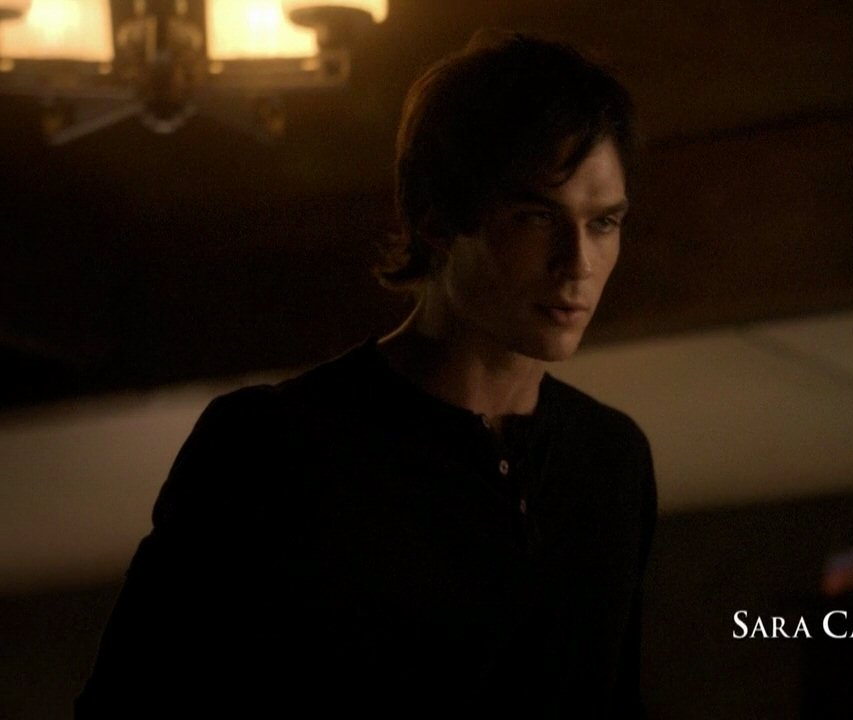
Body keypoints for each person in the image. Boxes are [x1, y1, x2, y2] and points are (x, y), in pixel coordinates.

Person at [76, 31, 656, 717]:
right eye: (537, 217)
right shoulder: (272, 448)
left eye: (604, 222)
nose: (578, 263)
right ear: (437, 219)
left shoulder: (610, 460)